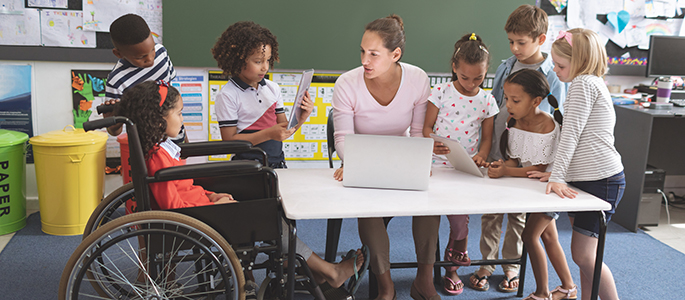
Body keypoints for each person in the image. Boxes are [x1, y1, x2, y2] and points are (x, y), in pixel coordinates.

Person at [116, 80, 368, 291]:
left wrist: (211, 195)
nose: (182, 119)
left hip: (201, 208)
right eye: (179, 113)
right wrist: (211, 203)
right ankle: (328, 272)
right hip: (194, 219)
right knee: (272, 218)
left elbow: (183, 189)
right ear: (159, 120)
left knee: (272, 209)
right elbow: (174, 205)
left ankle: (311, 270)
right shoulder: (159, 156)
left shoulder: (161, 149)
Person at [331, 14, 438, 300]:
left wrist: (419, 162)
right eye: (362, 51)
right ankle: (386, 287)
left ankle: (424, 282)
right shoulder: (346, 83)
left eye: (374, 54)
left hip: (402, 157)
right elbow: (342, 138)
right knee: (369, 213)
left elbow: (418, 133)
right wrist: (353, 162)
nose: (365, 60)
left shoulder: (417, 79)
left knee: (430, 205)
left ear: (395, 54)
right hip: (361, 158)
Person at [474, 4, 567, 293]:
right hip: (502, 146)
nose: (515, 48)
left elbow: (555, 117)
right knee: (491, 212)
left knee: (518, 215)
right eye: (511, 41)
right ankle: (486, 264)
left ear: (541, 40)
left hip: (531, 154)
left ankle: (511, 265)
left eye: (521, 42)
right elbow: (495, 104)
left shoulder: (551, 74)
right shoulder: (506, 66)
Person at [529, 28, 625, 300]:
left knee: (583, 255)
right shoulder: (586, 83)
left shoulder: (585, 84)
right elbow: (568, 135)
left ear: (580, 61)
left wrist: (557, 176)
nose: (556, 71)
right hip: (586, 179)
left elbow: (571, 133)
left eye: (560, 65)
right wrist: (552, 173)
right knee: (586, 257)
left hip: (601, 180)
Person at [488, 69, 576, 300]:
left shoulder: (547, 126)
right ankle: (569, 288)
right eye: (506, 99)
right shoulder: (513, 121)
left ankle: (542, 293)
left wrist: (508, 171)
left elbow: (539, 170)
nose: (508, 105)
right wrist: (502, 166)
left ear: (536, 101)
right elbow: (515, 159)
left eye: (515, 100)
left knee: (530, 237)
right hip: (531, 191)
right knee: (549, 238)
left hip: (548, 190)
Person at [422, 33, 498, 296]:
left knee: (460, 223)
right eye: (464, 77)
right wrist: (431, 142)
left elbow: (487, 138)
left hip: (465, 169)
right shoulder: (440, 91)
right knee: (429, 219)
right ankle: (426, 268)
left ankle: (452, 269)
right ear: (454, 67)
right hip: (435, 166)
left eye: (478, 78)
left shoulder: (487, 100)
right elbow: (426, 128)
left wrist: (481, 155)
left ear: (487, 72)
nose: (470, 84)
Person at [211, 21, 313, 169]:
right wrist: (269, 134)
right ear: (238, 60)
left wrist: (302, 117)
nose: (265, 67)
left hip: (277, 165)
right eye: (258, 61)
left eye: (268, 60)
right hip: (247, 169)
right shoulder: (227, 95)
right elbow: (229, 143)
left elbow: (282, 131)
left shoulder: (273, 89)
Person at [103, 14, 183, 143]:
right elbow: (114, 131)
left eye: (152, 50)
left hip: (176, 139)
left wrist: (185, 138)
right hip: (147, 148)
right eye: (141, 57)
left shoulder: (161, 53)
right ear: (119, 54)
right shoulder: (117, 81)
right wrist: (113, 121)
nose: (150, 59)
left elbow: (172, 101)